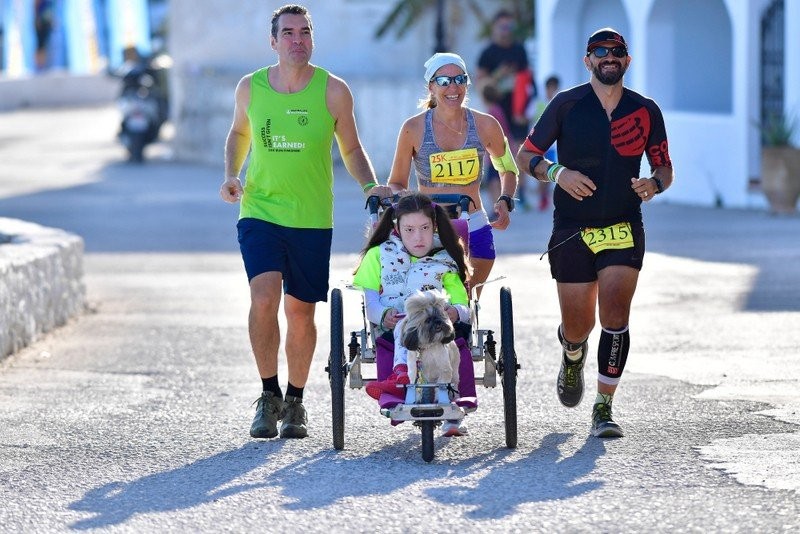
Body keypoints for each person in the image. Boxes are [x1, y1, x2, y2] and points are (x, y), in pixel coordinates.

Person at [220, 4, 391, 440]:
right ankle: (268, 395)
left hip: (311, 218)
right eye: (289, 33)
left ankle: (295, 401)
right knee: (263, 297)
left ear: (312, 39)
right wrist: (230, 175)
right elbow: (240, 134)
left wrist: (370, 185)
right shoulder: (251, 87)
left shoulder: (333, 91)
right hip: (260, 210)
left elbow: (351, 149)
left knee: (300, 311)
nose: (298, 39)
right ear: (273, 41)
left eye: (305, 32)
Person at [515, 28, 674, 438]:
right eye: (600, 52)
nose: (609, 57)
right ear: (587, 61)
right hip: (572, 228)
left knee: (616, 316)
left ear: (627, 61)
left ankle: (603, 407)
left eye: (617, 52)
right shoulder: (566, 105)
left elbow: (664, 167)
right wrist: (557, 172)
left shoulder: (646, 110)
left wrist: (653, 185)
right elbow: (526, 155)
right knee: (578, 324)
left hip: (623, 225)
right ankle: (572, 353)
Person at [386, 52, 519, 299]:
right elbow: (396, 182)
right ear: (431, 87)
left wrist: (505, 199)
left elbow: (508, 168)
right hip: (429, 229)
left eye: (460, 79)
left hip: (474, 224)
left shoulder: (486, 125)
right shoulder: (413, 128)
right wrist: (398, 197)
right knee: (430, 302)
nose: (453, 87)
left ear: (468, 83)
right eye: (444, 81)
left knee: (466, 303)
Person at [352, 193, 474, 437]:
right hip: (394, 328)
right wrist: (384, 314)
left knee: (451, 343)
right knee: (402, 327)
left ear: (435, 226)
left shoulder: (445, 260)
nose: (418, 237)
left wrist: (454, 311)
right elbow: (372, 305)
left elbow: (463, 306)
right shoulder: (378, 256)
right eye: (409, 229)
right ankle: (399, 377)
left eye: (425, 228)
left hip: (439, 328)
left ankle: (454, 407)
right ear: (397, 228)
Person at [477, 9, 536, 210]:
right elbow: (481, 83)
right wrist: (499, 75)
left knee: (522, 151)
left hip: (518, 112)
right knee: (497, 154)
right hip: (497, 112)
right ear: (495, 27)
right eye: (502, 26)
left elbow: (528, 79)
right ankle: (498, 198)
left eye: (509, 27)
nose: (506, 31)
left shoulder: (519, 50)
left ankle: (522, 195)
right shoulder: (488, 53)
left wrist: (527, 109)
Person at [531, 75, 561, 211]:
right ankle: (542, 198)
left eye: (555, 88)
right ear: (547, 88)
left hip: (554, 145)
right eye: (551, 88)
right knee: (541, 171)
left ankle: (545, 198)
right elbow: (527, 117)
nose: (553, 91)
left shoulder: (560, 102)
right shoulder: (538, 102)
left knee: (551, 172)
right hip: (541, 145)